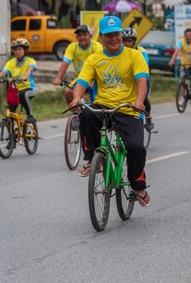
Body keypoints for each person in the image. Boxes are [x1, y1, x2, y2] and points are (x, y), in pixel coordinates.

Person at [70, 16, 150, 207]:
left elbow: (141, 80)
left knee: (136, 147)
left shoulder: (134, 56)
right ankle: (91, 158)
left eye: (116, 34)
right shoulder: (94, 59)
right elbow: (82, 82)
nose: (113, 38)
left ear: (121, 34)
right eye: (108, 35)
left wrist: (139, 101)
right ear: (101, 38)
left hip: (128, 109)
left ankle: (138, 186)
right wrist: (76, 98)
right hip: (103, 106)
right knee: (87, 114)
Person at [0, 38, 37, 122]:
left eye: (19, 49)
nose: (17, 52)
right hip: (17, 90)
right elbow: (3, 73)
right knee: (11, 106)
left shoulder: (30, 61)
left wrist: (25, 77)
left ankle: (30, 116)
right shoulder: (11, 63)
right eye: (15, 50)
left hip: (29, 88)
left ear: (25, 50)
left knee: (23, 94)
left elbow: (30, 69)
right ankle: (10, 128)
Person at [53, 25, 103, 106]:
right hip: (80, 78)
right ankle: (76, 114)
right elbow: (65, 63)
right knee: (68, 92)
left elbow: (100, 65)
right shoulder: (72, 47)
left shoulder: (97, 46)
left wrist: (94, 80)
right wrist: (58, 77)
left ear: (90, 36)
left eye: (84, 34)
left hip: (95, 78)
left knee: (96, 100)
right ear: (76, 37)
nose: (82, 37)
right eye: (79, 35)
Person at [122, 27, 154, 132]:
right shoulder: (120, 52)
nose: (127, 43)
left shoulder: (141, 52)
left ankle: (148, 117)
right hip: (126, 80)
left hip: (141, 79)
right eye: (125, 40)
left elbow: (143, 68)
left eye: (130, 41)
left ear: (134, 41)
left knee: (143, 99)